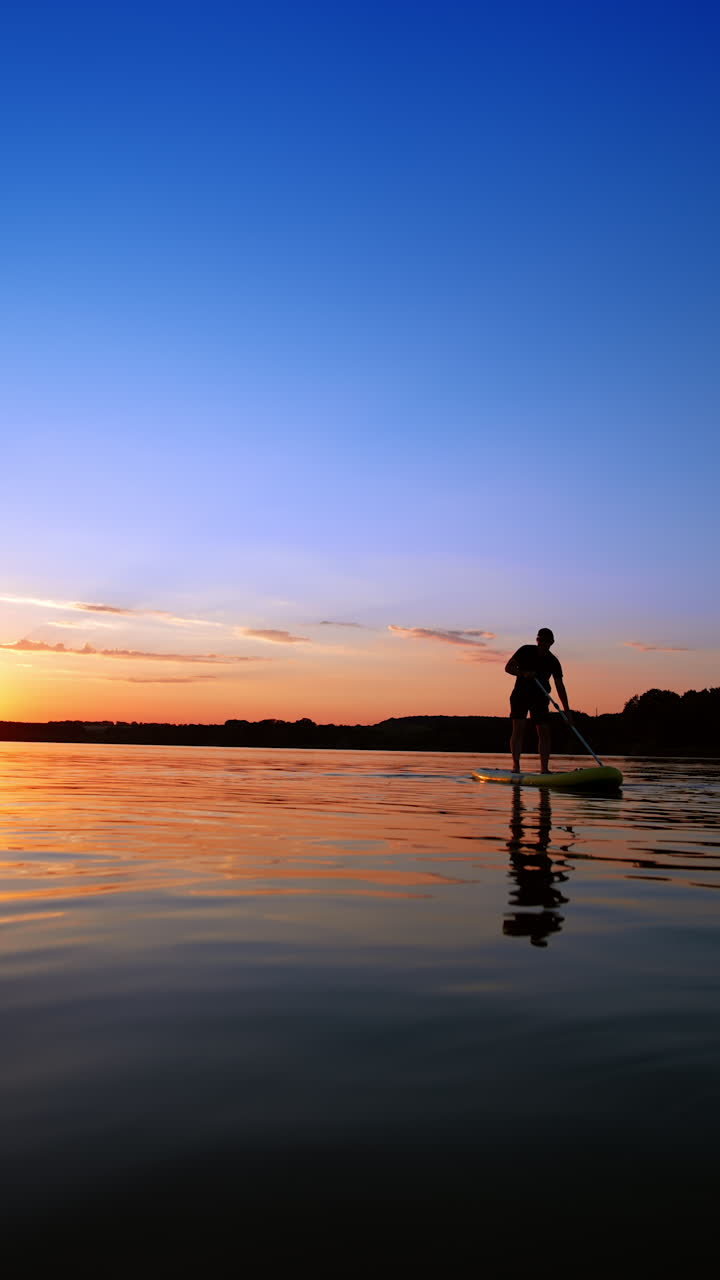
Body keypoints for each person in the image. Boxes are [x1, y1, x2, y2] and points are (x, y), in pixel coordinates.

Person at [504, 628, 572, 774]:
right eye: (541, 641)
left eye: (547, 642)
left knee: (544, 732)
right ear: (537, 640)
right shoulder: (525, 650)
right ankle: (516, 766)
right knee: (519, 729)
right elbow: (508, 667)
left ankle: (544, 769)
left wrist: (567, 711)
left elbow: (560, 686)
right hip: (520, 695)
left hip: (540, 697)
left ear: (552, 642)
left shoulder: (553, 661)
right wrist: (523, 673)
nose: (543, 644)